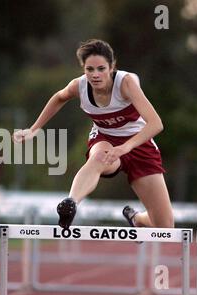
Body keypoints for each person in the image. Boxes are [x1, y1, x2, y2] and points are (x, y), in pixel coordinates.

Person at [13, 39, 174, 230]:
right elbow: (58, 97)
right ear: (83, 69)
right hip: (105, 139)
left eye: (101, 69)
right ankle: (71, 203)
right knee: (99, 157)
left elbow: (156, 124)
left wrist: (124, 148)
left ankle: (138, 219)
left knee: (165, 228)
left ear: (111, 67)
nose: (95, 75)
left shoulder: (126, 83)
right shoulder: (79, 86)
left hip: (138, 143)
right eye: (89, 69)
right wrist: (33, 129)